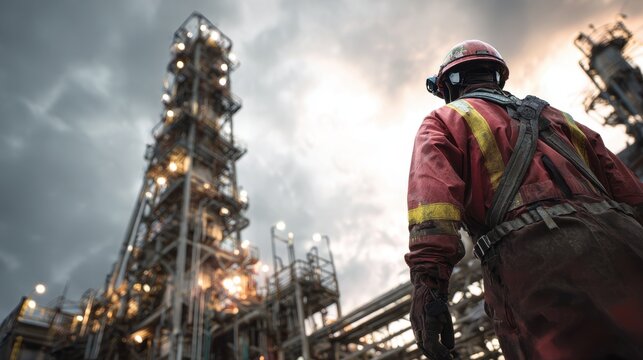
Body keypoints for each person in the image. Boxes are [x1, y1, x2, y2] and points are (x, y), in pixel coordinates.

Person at [405, 39, 643, 359]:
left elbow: (432, 208)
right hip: (626, 243)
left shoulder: (444, 120)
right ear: (498, 76)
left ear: (448, 85)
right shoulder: (560, 118)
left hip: (537, 267)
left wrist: (428, 287)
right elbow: (631, 193)